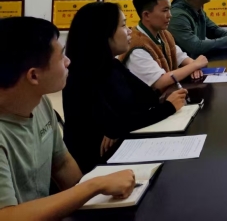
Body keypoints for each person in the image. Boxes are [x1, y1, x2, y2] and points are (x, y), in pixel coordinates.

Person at [0, 17, 136, 220]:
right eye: (61, 55)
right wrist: (94, 185)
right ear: (34, 76)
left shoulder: (39, 103)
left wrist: (93, 204)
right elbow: (6, 216)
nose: (68, 61)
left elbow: (62, 163)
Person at [63, 2, 189, 173]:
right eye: (123, 25)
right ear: (104, 33)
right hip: (98, 167)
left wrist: (123, 124)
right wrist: (168, 107)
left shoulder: (112, 65)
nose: (129, 31)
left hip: (121, 152)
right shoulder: (81, 78)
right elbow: (116, 125)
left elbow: (147, 98)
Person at [119, 0, 208, 92]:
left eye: (169, 9)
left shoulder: (164, 34)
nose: (170, 15)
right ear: (146, 15)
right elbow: (159, 81)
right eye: (165, 10)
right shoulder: (136, 46)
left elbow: (180, 56)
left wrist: (193, 65)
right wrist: (195, 65)